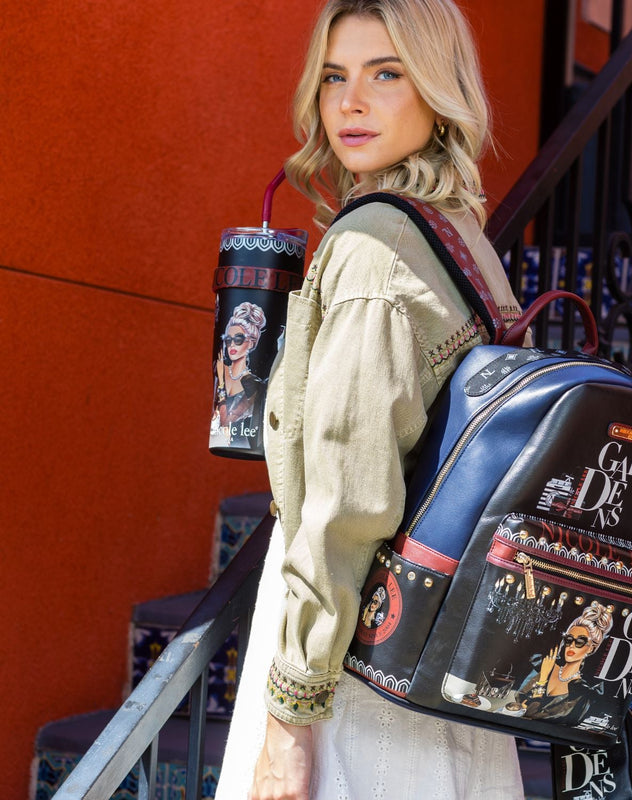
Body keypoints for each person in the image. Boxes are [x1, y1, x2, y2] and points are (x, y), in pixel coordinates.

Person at [216, 1, 527, 797]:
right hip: (440, 666)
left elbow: (345, 504)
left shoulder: (371, 248)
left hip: (357, 683)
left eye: (386, 74)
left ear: (436, 87)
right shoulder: (458, 237)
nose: (350, 102)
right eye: (333, 77)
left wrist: (289, 717)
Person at [516, 601, 613, 727]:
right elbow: (518, 699)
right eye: (569, 639)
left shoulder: (581, 693)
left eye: (580, 641)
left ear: (590, 648)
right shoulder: (547, 666)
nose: (572, 645)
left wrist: (542, 680)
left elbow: (532, 715)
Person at [211, 302, 268, 447]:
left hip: (239, 445)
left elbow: (226, 421)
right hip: (216, 441)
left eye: (238, 339)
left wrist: (222, 385)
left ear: (250, 343)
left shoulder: (252, 383)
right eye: (228, 339)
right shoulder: (220, 367)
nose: (232, 345)